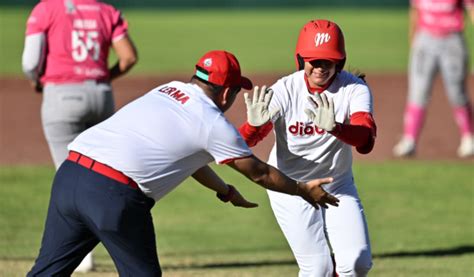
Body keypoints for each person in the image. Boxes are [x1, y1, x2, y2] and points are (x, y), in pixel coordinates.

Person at [27, 50, 339, 276]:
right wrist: (302, 190)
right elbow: (259, 173)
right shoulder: (211, 122)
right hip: (113, 195)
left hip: (71, 174)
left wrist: (225, 191)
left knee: (47, 272)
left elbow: (191, 160)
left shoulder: (168, 89)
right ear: (227, 92)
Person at [238, 20, 376, 276]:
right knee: (317, 269)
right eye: (314, 61)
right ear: (301, 59)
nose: (321, 68)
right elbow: (244, 143)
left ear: (340, 62)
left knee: (357, 264)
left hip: (338, 185)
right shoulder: (285, 90)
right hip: (290, 187)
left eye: (328, 61)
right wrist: (253, 126)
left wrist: (336, 128)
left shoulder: (354, 89)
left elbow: (366, 141)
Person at [21, 0, 138, 271]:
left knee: (69, 177)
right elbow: (129, 57)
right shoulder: (106, 11)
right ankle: (119, 246)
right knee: (102, 174)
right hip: (100, 95)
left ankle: (81, 258)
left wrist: (35, 78)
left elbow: (30, 60)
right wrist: (104, 77)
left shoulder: (47, 8)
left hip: (62, 94)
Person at [393, 0, 474, 158]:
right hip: (425, 39)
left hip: (452, 40)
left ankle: (468, 137)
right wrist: (414, 39)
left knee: (457, 92)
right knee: (418, 91)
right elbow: (415, 11)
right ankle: (410, 140)